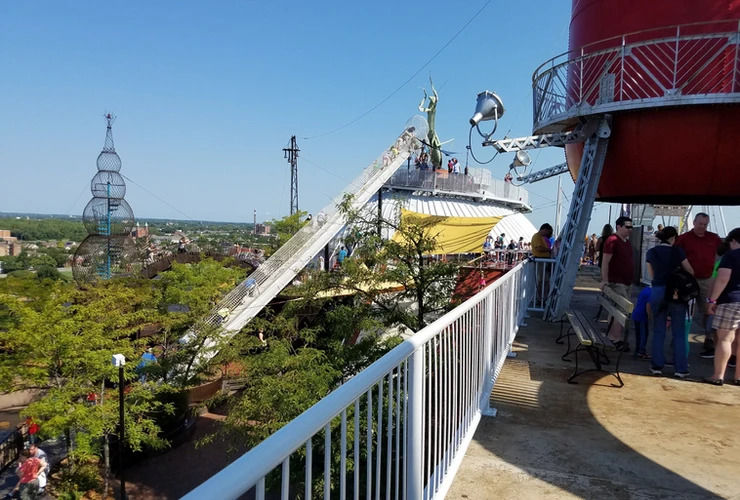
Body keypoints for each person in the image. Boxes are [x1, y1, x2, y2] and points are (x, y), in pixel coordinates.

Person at [646, 226, 694, 377]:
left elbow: (651, 274)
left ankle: (657, 366)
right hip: (676, 293)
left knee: (659, 330)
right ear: (673, 238)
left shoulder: (651, 252)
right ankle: (680, 369)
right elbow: (690, 271)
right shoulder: (678, 251)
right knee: (678, 331)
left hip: (658, 291)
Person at [675, 213, 722, 358]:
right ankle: (680, 337)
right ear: (694, 222)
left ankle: (709, 338)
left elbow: (723, 254)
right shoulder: (683, 239)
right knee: (686, 309)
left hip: (707, 278)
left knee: (708, 311)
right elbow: (675, 254)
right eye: (700, 223)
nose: (702, 227)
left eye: (705, 224)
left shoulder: (714, 238)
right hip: (688, 280)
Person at [705, 228, 740, 385]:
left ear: (733, 241)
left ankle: (718, 375)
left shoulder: (731, 256)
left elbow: (723, 279)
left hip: (731, 300)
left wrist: (712, 300)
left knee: (725, 339)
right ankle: (738, 376)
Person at [601, 216, 635, 348]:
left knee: (616, 310)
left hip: (626, 282)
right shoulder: (612, 241)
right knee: (622, 311)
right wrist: (605, 280)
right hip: (617, 282)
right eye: (627, 227)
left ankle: (612, 336)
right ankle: (615, 338)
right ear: (619, 227)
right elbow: (605, 263)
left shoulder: (626, 241)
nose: (630, 229)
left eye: (631, 227)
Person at [632, 285, 653, 359]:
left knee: (639, 333)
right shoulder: (651, 293)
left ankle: (638, 349)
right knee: (644, 334)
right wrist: (650, 317)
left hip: (637, 314)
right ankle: (641, 351)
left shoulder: (646, 289)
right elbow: (648, 306)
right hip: (642, 316)